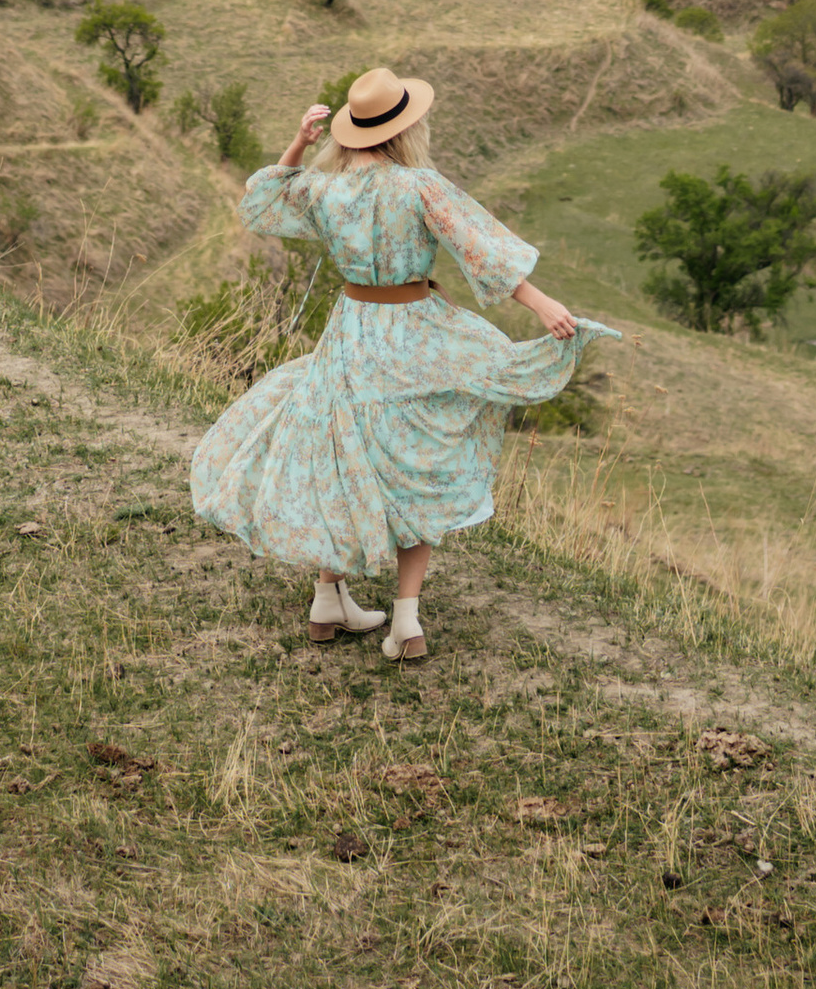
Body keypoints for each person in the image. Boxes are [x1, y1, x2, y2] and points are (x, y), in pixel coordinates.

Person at [188, 65, 584, 662]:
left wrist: (299, 143)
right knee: (414, 463)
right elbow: (481, 251)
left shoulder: (325, 189)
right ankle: (405, 623)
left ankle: (328, 600)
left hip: (351, 334)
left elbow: (262, 204)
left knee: (346, 457)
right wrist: (542, 304)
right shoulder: (419, 186)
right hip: (413, 334)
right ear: (404, 128)